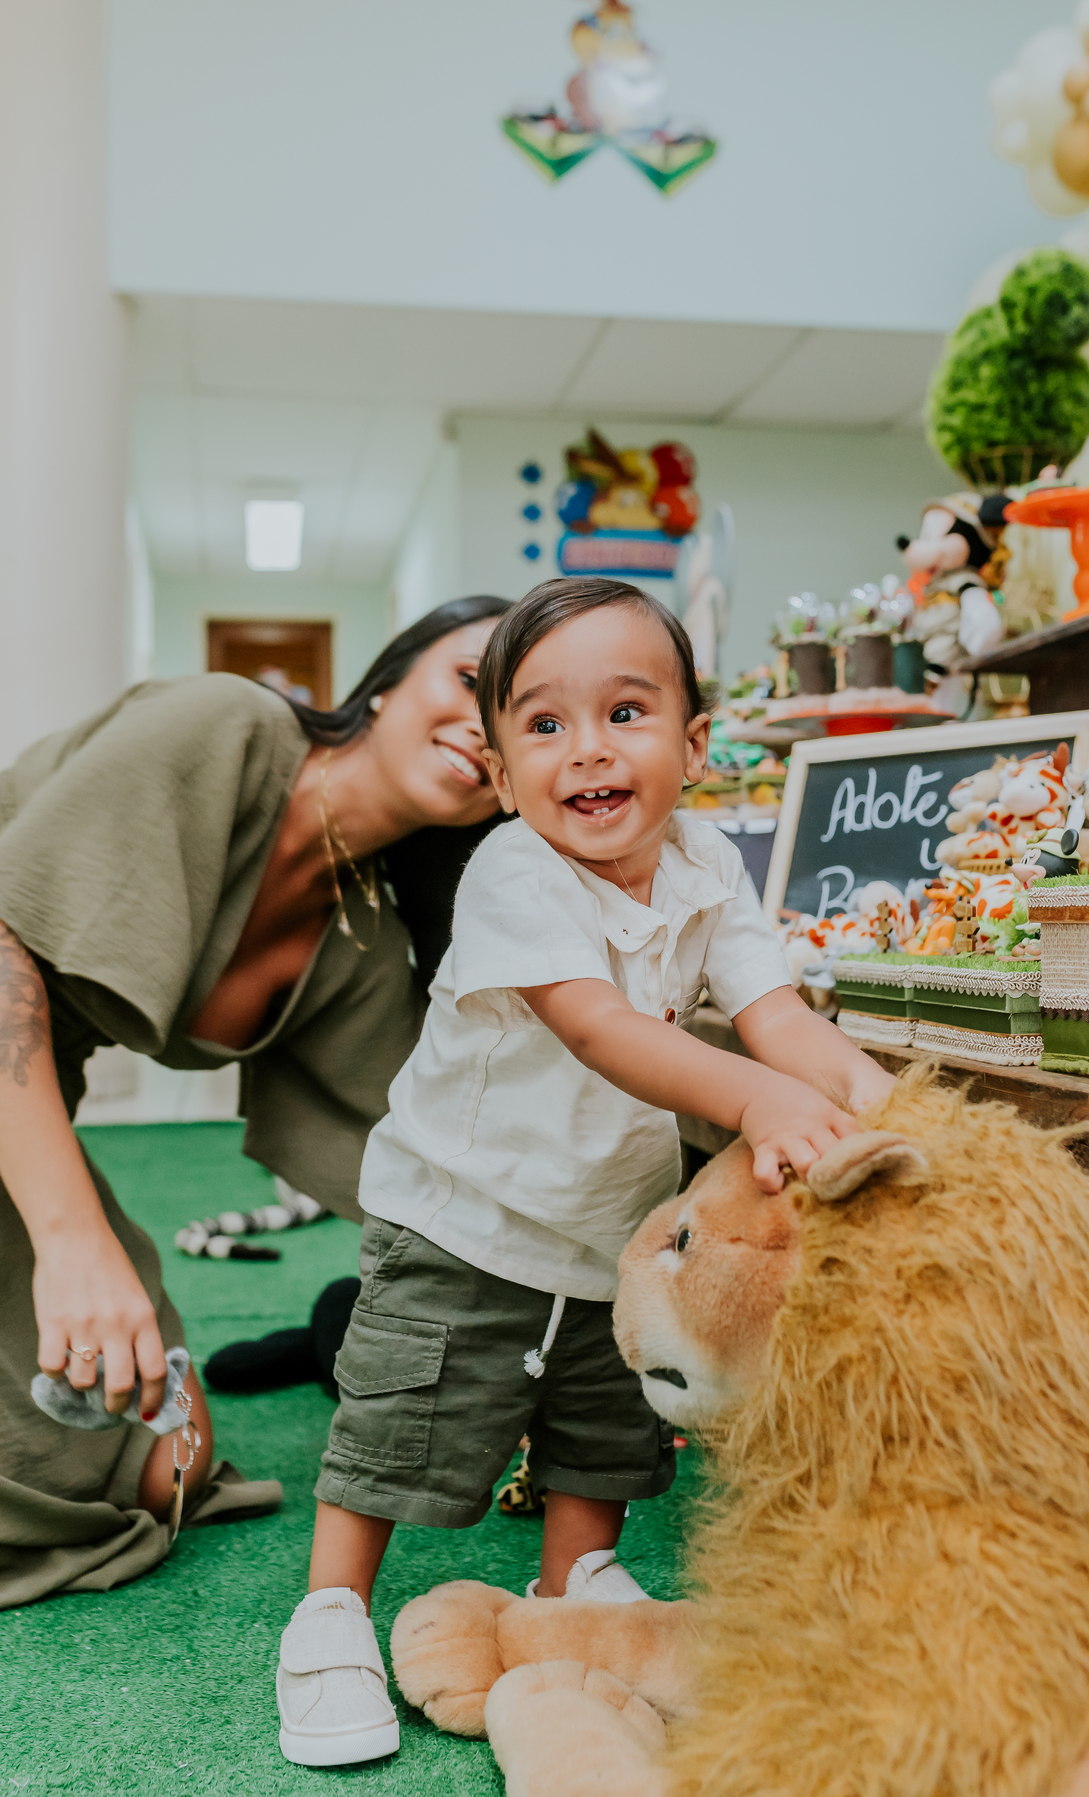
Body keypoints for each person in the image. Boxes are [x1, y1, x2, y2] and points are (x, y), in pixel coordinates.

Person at [275, 576, 893, 1769]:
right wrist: (762, 1101)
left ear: (694, 744)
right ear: (502, 777)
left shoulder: (708, 862)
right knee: (404, 1419)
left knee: (601, 1420)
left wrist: (873, 1099)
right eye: (544, 726)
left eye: (625, 712)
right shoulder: (515, 873)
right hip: (462, 1217)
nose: (588, 751)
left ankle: (579, 1578)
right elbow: (603, 1027)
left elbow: (775, 1014)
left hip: (603, 1219)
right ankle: (331, 1613)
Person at [0, 594, 510, 1610]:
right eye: (469, 681)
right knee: (80, 1440)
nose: (483, 728)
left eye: (520, 720)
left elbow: (447, 1134)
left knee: (167, 1461)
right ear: (392, 675)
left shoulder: (366, 929)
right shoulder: (228, 724)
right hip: (28, 1134)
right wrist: (74, 1242)